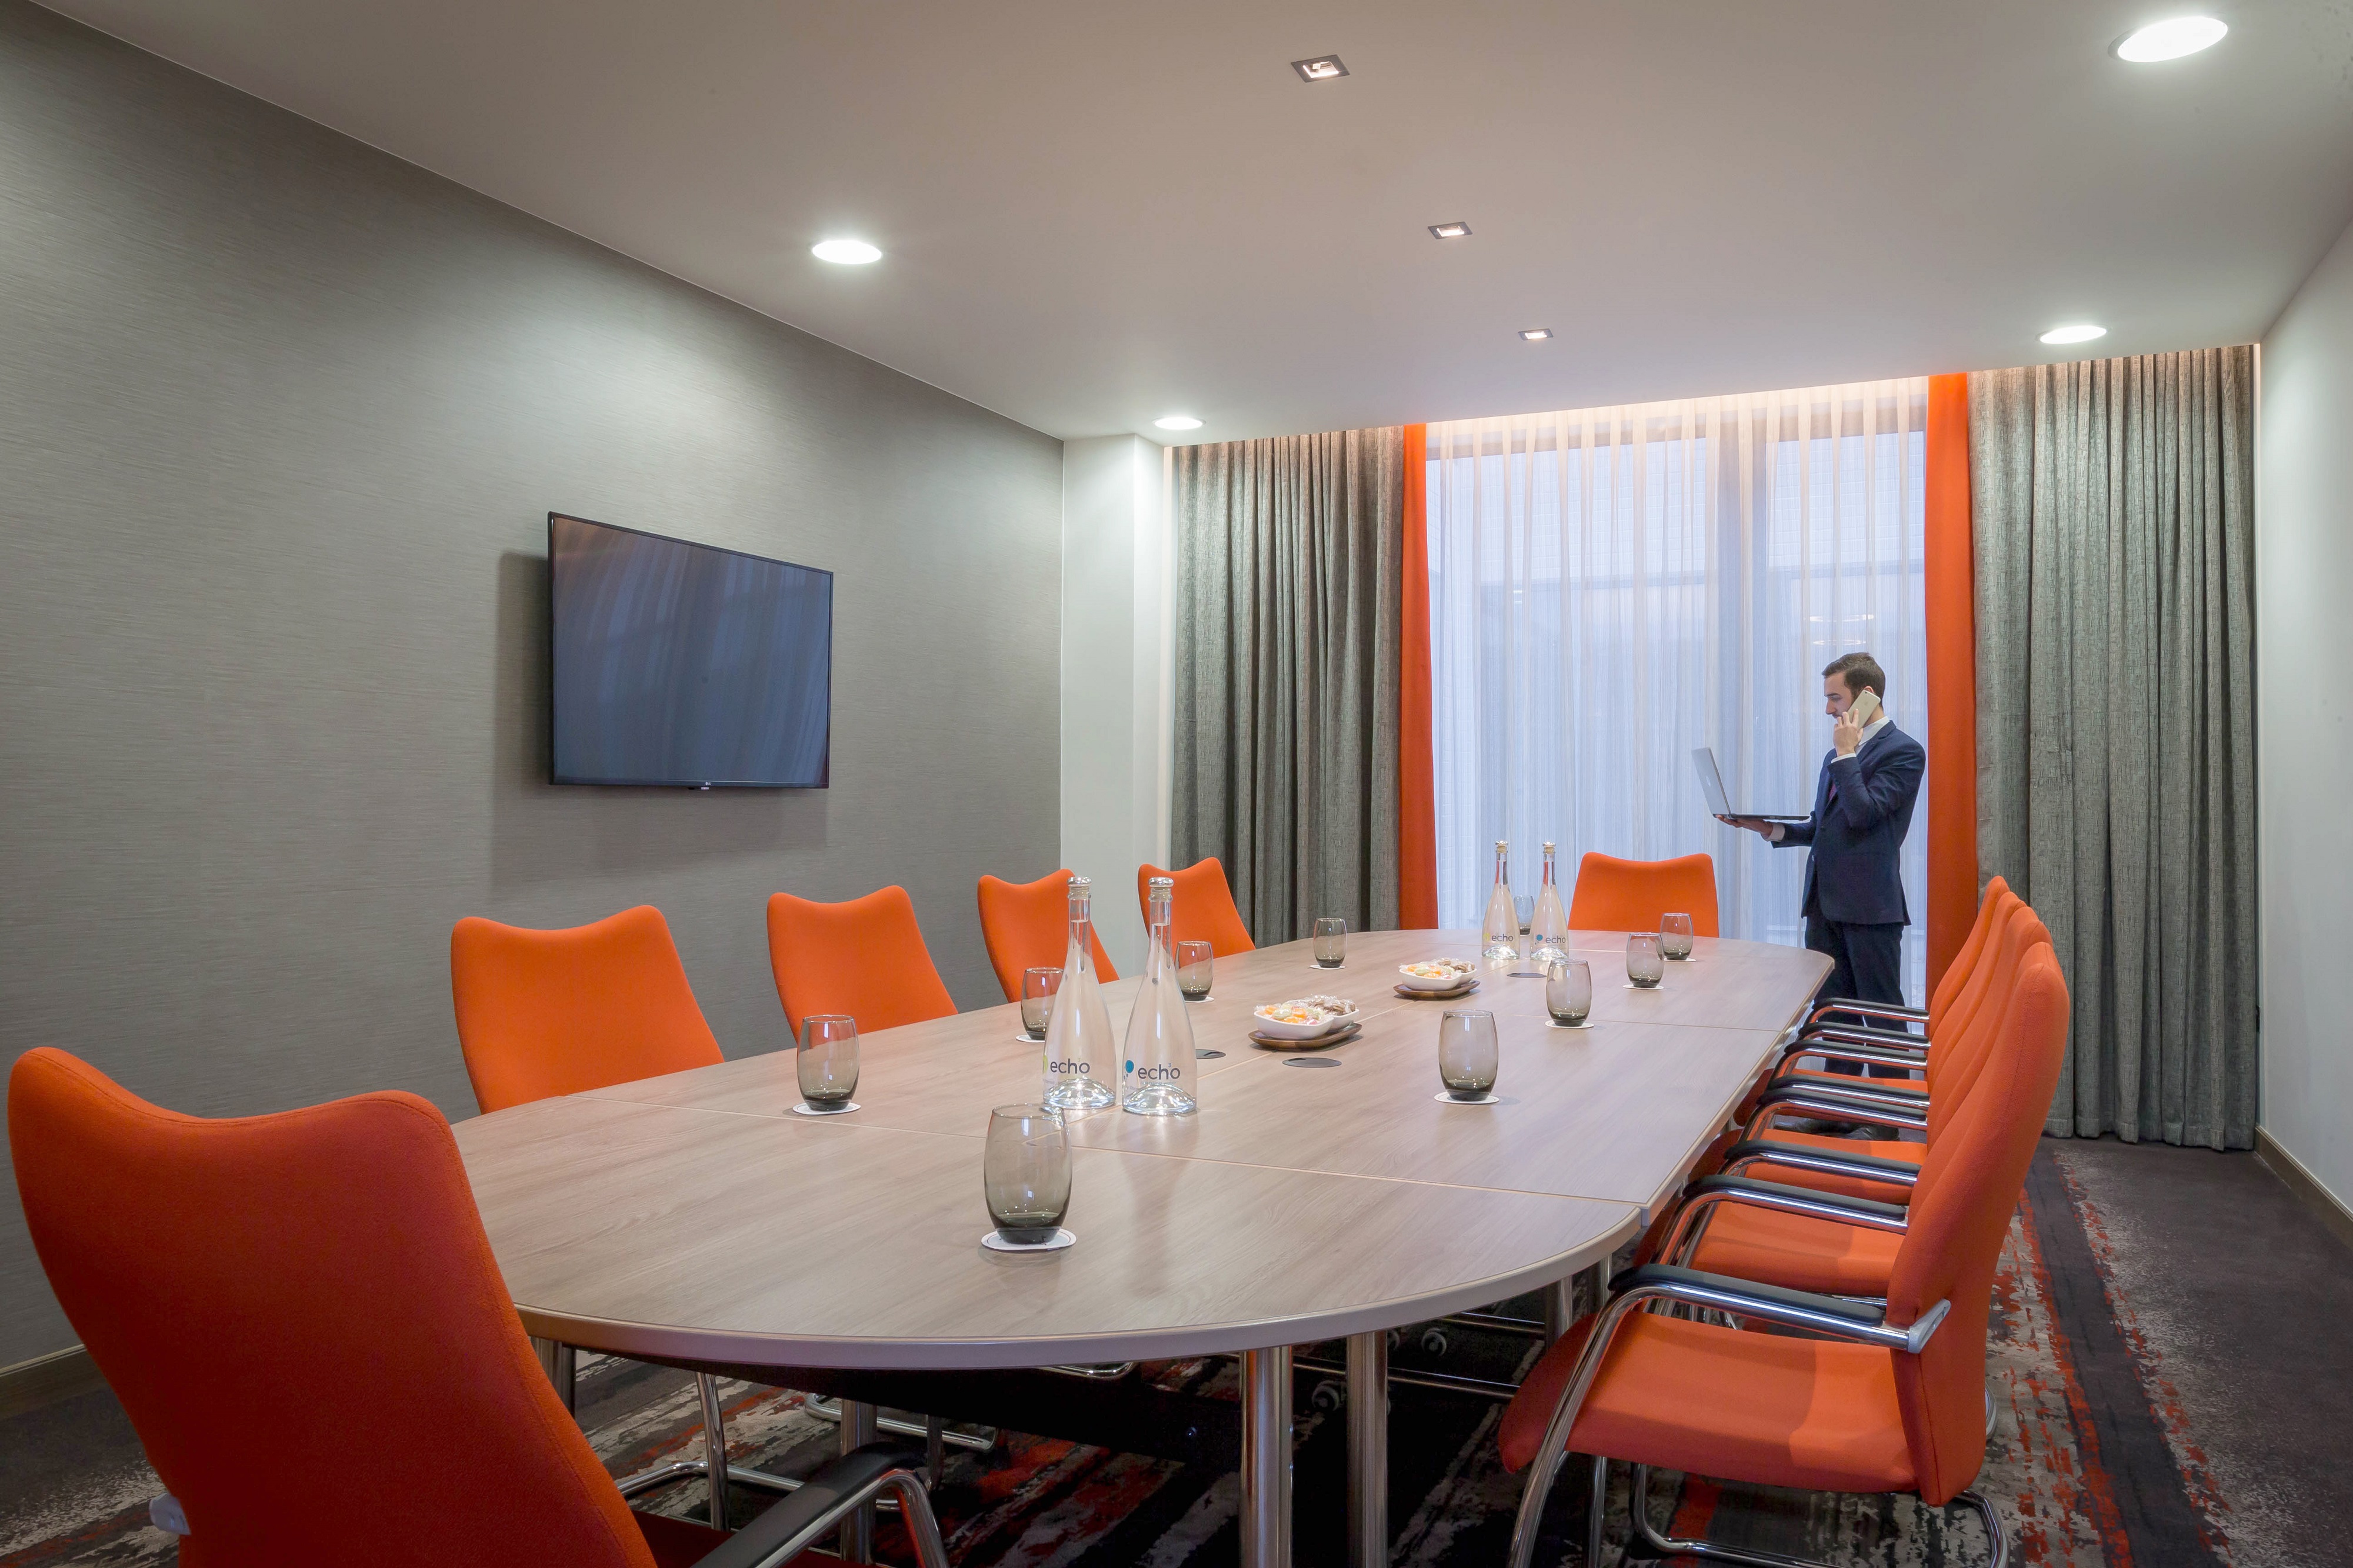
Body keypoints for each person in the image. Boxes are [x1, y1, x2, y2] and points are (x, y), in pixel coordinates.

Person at [1722, 652, 1925, 1077]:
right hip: (1825, 904)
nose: (1828, 709)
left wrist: (1847, 755)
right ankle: (1835, 1113)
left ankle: (1887, 1117)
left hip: (1871, 908)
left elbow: (1863, 814)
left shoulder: (1903, 752)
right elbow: (1825, 827)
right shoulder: (1839, 753)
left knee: (1881, 1012)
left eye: (1835, 698)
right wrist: (1768, 828)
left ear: (1866, 697)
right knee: (1833, 1012)